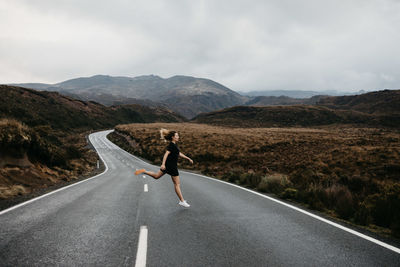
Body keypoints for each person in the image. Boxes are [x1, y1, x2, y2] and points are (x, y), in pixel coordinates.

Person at [134, 129, 193, 208]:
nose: (178, 137)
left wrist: (188, 158)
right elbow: (166, 154)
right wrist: (163, 164)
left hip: (169, 165)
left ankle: (144, 171)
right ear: (173, 137)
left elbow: (178, 153)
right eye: (177, 136)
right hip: (171, 166)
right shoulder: (171, 145)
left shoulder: (174, 145)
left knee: (156, 176)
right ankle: (182, 201)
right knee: (177, 184)